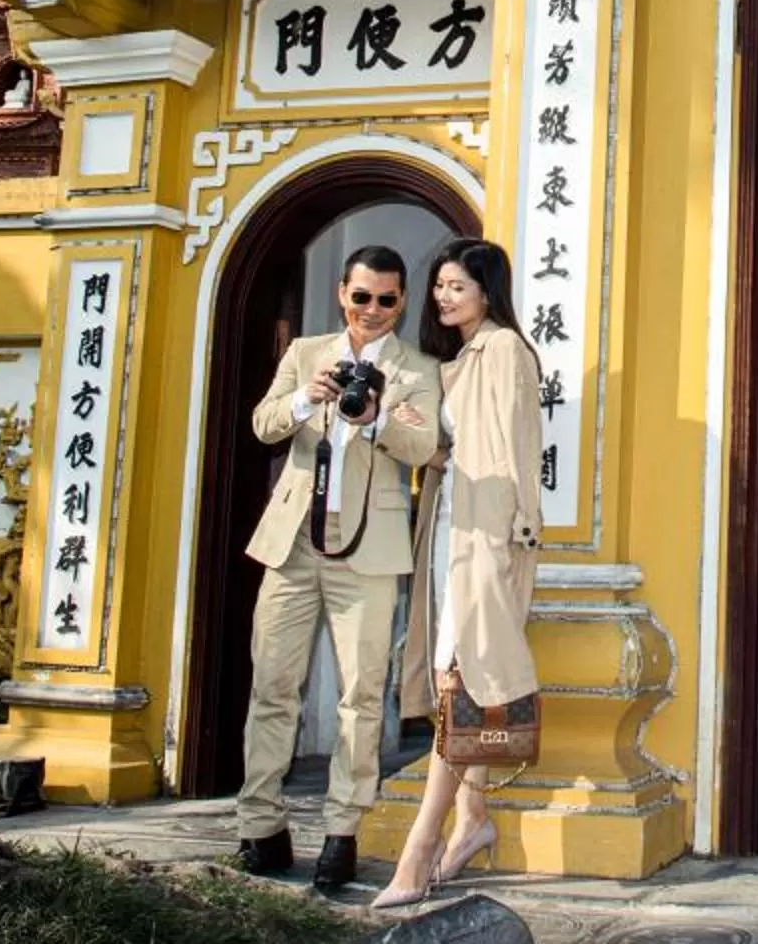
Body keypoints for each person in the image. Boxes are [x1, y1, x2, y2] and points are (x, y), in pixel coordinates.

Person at [233, 244, 441, 891]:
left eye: (386, 300)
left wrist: (377, 420)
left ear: (401, 302)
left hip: (368, 550)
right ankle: (259, 825)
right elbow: (263, 424)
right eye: (361, 297)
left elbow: (424, 446)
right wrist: (305, 399)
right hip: (294, 542)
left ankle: (342, 833)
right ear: (342, 295)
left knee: (361, 695)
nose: (372, 310)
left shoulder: (417, 369)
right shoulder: (305, 354)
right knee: (273, 684)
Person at [375, 237, 544, 909]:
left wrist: (513, 535)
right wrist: (425, 441)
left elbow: (516, 448)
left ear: (486, 291)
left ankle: (418, 851)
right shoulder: (460, 359)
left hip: (484, 536)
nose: (443, 296)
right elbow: (461, 447)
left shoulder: (502, 349)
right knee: (461, 679)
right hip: (452, 527)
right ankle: (472, 817)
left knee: (459, 678)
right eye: (440, 286)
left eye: (457, 286)